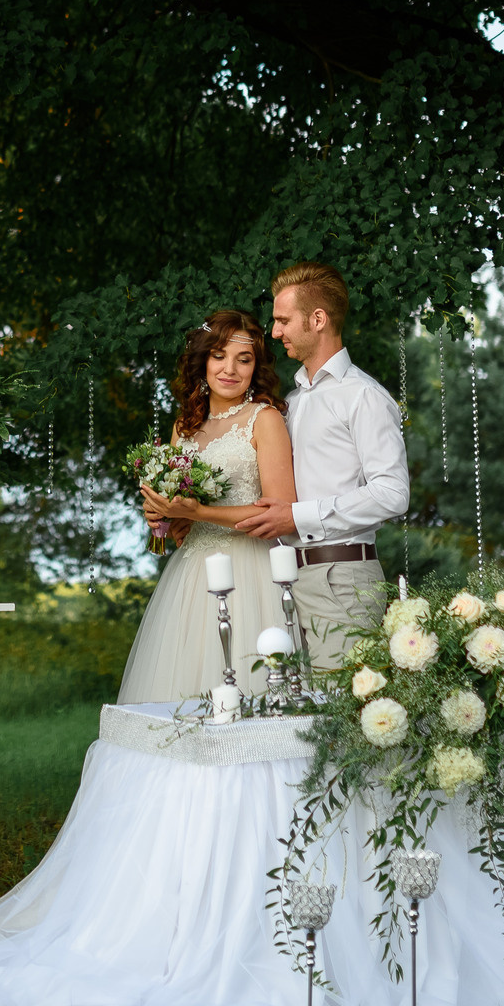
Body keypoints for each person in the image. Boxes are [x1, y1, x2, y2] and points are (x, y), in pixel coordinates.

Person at [119, 310, 299, 703]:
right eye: (219, 356)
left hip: (249, 570)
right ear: (202, 361)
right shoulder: (184, 425)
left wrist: (196, 514)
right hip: (190, 575)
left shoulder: (265, 419)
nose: (230, 369)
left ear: (257, 367)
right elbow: (176, 507)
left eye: (244, 359)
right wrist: (160, 516)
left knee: (245, 688)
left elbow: (281, 512)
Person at [236, 261, 407, 668]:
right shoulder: (289, 404)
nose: (275, 333)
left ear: (318, 319)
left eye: (282, 320)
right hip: (282, 580)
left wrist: (298, 517)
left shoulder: (363, 396)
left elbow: (393, 494)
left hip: (341, 580)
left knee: (340, 715)